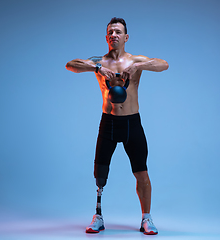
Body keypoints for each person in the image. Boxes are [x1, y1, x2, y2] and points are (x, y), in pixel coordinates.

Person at [65, 17, 169, 235]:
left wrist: (139, 65)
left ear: (126, 37)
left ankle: (146, 219)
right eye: (110, 32)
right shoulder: (99, 61)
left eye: (118, 32)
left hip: (132, 123)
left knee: (141, 172)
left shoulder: (135, 60)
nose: (114, 35)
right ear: (106, 37)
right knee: (100, 172)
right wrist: (97, 68)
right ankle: (98, 216)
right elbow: (70, 65)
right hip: (108, 123)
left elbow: (163, 64)